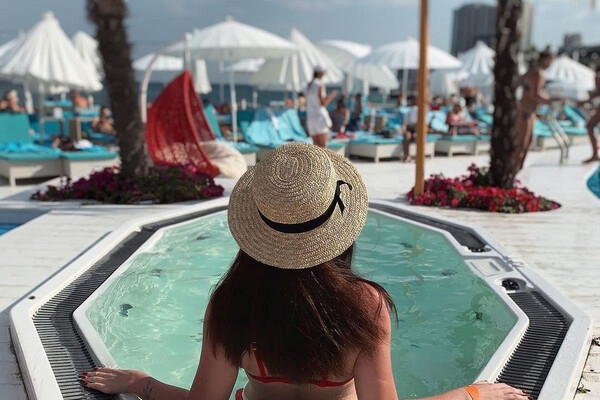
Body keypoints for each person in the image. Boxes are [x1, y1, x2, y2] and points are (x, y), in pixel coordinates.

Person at [82, 143, 529, 400]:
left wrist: (142, 384)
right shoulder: (365, 305)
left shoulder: (232, 303)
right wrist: (472, 394)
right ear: (340, 229)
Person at [514, 49, 554, 171]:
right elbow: (535, 94)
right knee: (522, 144)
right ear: (546, 60)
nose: (551, 64)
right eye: (551, 61)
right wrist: (551, 99)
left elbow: (520, 83)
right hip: (526, 112)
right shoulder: (538, 73)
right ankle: (514, 170)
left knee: (525, 143)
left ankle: (517, 169)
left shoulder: (531, 71)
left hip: (526, 110)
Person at [306, 65, 338, 148]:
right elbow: (323, 103)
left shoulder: (309, 85)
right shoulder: (319, 84)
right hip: (319, 117)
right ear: (320, 73)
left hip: (311, 118)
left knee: (316, 148)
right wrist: (332, 95)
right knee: (323, 147)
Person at [582, 65, 600, 163]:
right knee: (590, 126)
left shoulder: (597, 75)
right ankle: (595, 154)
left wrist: (585, 101)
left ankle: (595, 154)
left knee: (590, 126)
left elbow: (598, 91)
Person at [401, 95, 419, 162]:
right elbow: (405, 123)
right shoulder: (409, 111)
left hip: (418, 129)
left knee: (417, 137)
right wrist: (403, 130)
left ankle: (418, 156)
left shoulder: (419, 110)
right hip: (410, 128)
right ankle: (407, 155)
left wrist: (417, 131)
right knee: (407, 136)